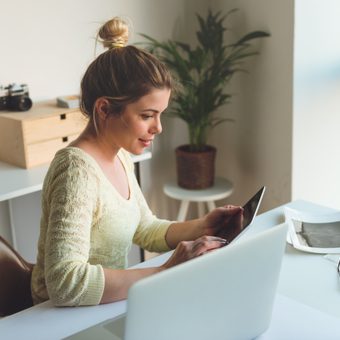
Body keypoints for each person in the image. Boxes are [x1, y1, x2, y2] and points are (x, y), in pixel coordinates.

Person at [31, 17, 243, 307]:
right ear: (104, 109)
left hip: (102, 307)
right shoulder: (76, 172)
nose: (158, 128)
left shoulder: (119, 154)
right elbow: (65, 283)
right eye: (147, 116)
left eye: (160, 114)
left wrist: (202, 226)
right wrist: (164, 272)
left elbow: (144, 227)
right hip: (57, 320)